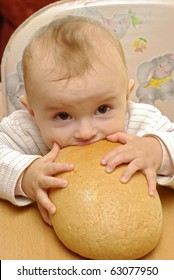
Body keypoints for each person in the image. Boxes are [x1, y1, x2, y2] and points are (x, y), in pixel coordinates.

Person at [0, 15, 174, 225]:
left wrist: (156, 150)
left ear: (126, 97)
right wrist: (25, 175)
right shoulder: (27, 130)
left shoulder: (138, 122)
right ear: (32, 111)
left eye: (102, 109)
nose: (86, 132)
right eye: (63, 116)